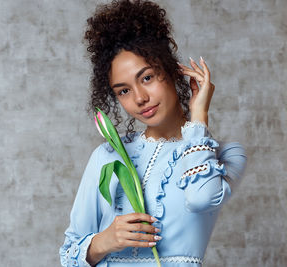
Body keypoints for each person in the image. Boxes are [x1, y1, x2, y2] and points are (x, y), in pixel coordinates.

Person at [59, 0, 247, 266]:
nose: (139, 98)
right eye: (123, 91)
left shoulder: (225, 155)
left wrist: (199, 116)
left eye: (146, 78)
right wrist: (106, 240)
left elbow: (201, 198)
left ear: (171, 71)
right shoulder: (107, 155)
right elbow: (69, 255)